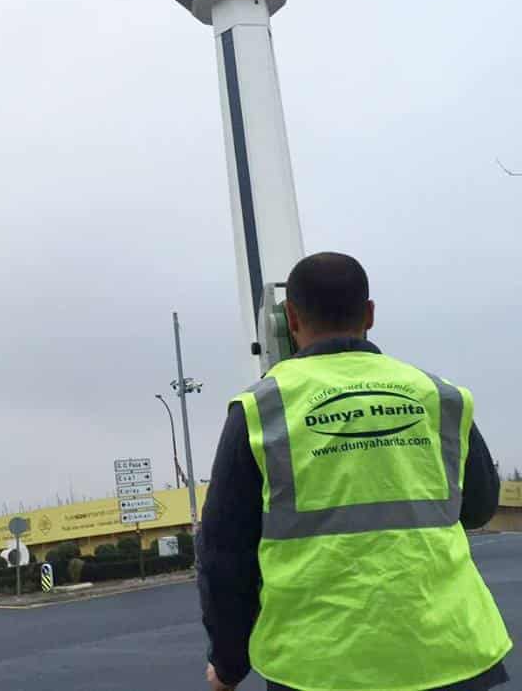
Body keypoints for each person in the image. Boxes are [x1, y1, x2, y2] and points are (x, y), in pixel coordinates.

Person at [198, 252, 512, 691]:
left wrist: (229, 664)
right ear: (369, 314)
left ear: (290, 318)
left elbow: (224, 554)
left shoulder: (262, 409)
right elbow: (478, 508)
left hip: (319, 668)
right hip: (452, 653)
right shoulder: (439, 396)